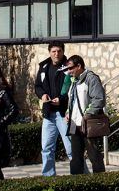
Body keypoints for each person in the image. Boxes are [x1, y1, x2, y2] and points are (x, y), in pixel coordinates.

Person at [34, 41, 73, 176]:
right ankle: (49, 178)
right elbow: (38, 86)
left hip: (64, 114)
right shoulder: (43, 67)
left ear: (63, 51)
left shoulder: (69, 67)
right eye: (54, 51)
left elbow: (72, 89)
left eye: (59, 51)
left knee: (71, 148)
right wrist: (42, 95)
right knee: (46, 148)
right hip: (48, 114)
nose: (57, 54)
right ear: (49, 52)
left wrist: (61, 100)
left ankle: (80, 176)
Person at [65, 55, 106, 175]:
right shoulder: (74, 81)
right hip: (75, 125)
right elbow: (71, 101)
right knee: (76, 159)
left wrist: (87, 115)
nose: (69, 71)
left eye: (71, 68)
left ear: (79, 66)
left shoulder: (91, 78)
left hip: (88, 124)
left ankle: (101, 183)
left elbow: (99, 100)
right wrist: (68, 113)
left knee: (95, 157)